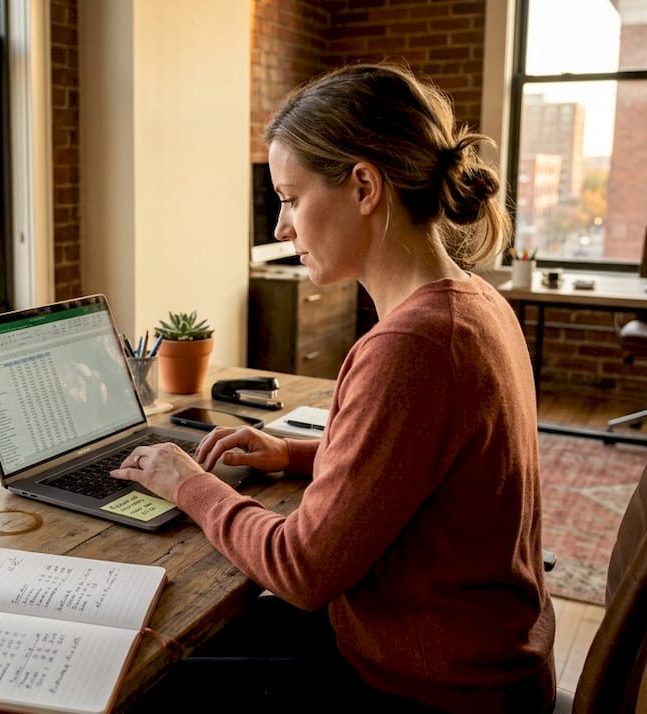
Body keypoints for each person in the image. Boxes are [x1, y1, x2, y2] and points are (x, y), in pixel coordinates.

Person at [113, 62, 556, 713]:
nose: (280, 228)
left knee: (144, 684)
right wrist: (293, 453)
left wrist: (188, 485)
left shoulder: (413, 345)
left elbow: (303, 571)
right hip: (461, 656)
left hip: (432, 692)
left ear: (364, 186)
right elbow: (422, 465)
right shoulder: (474, 303)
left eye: (290, 198)